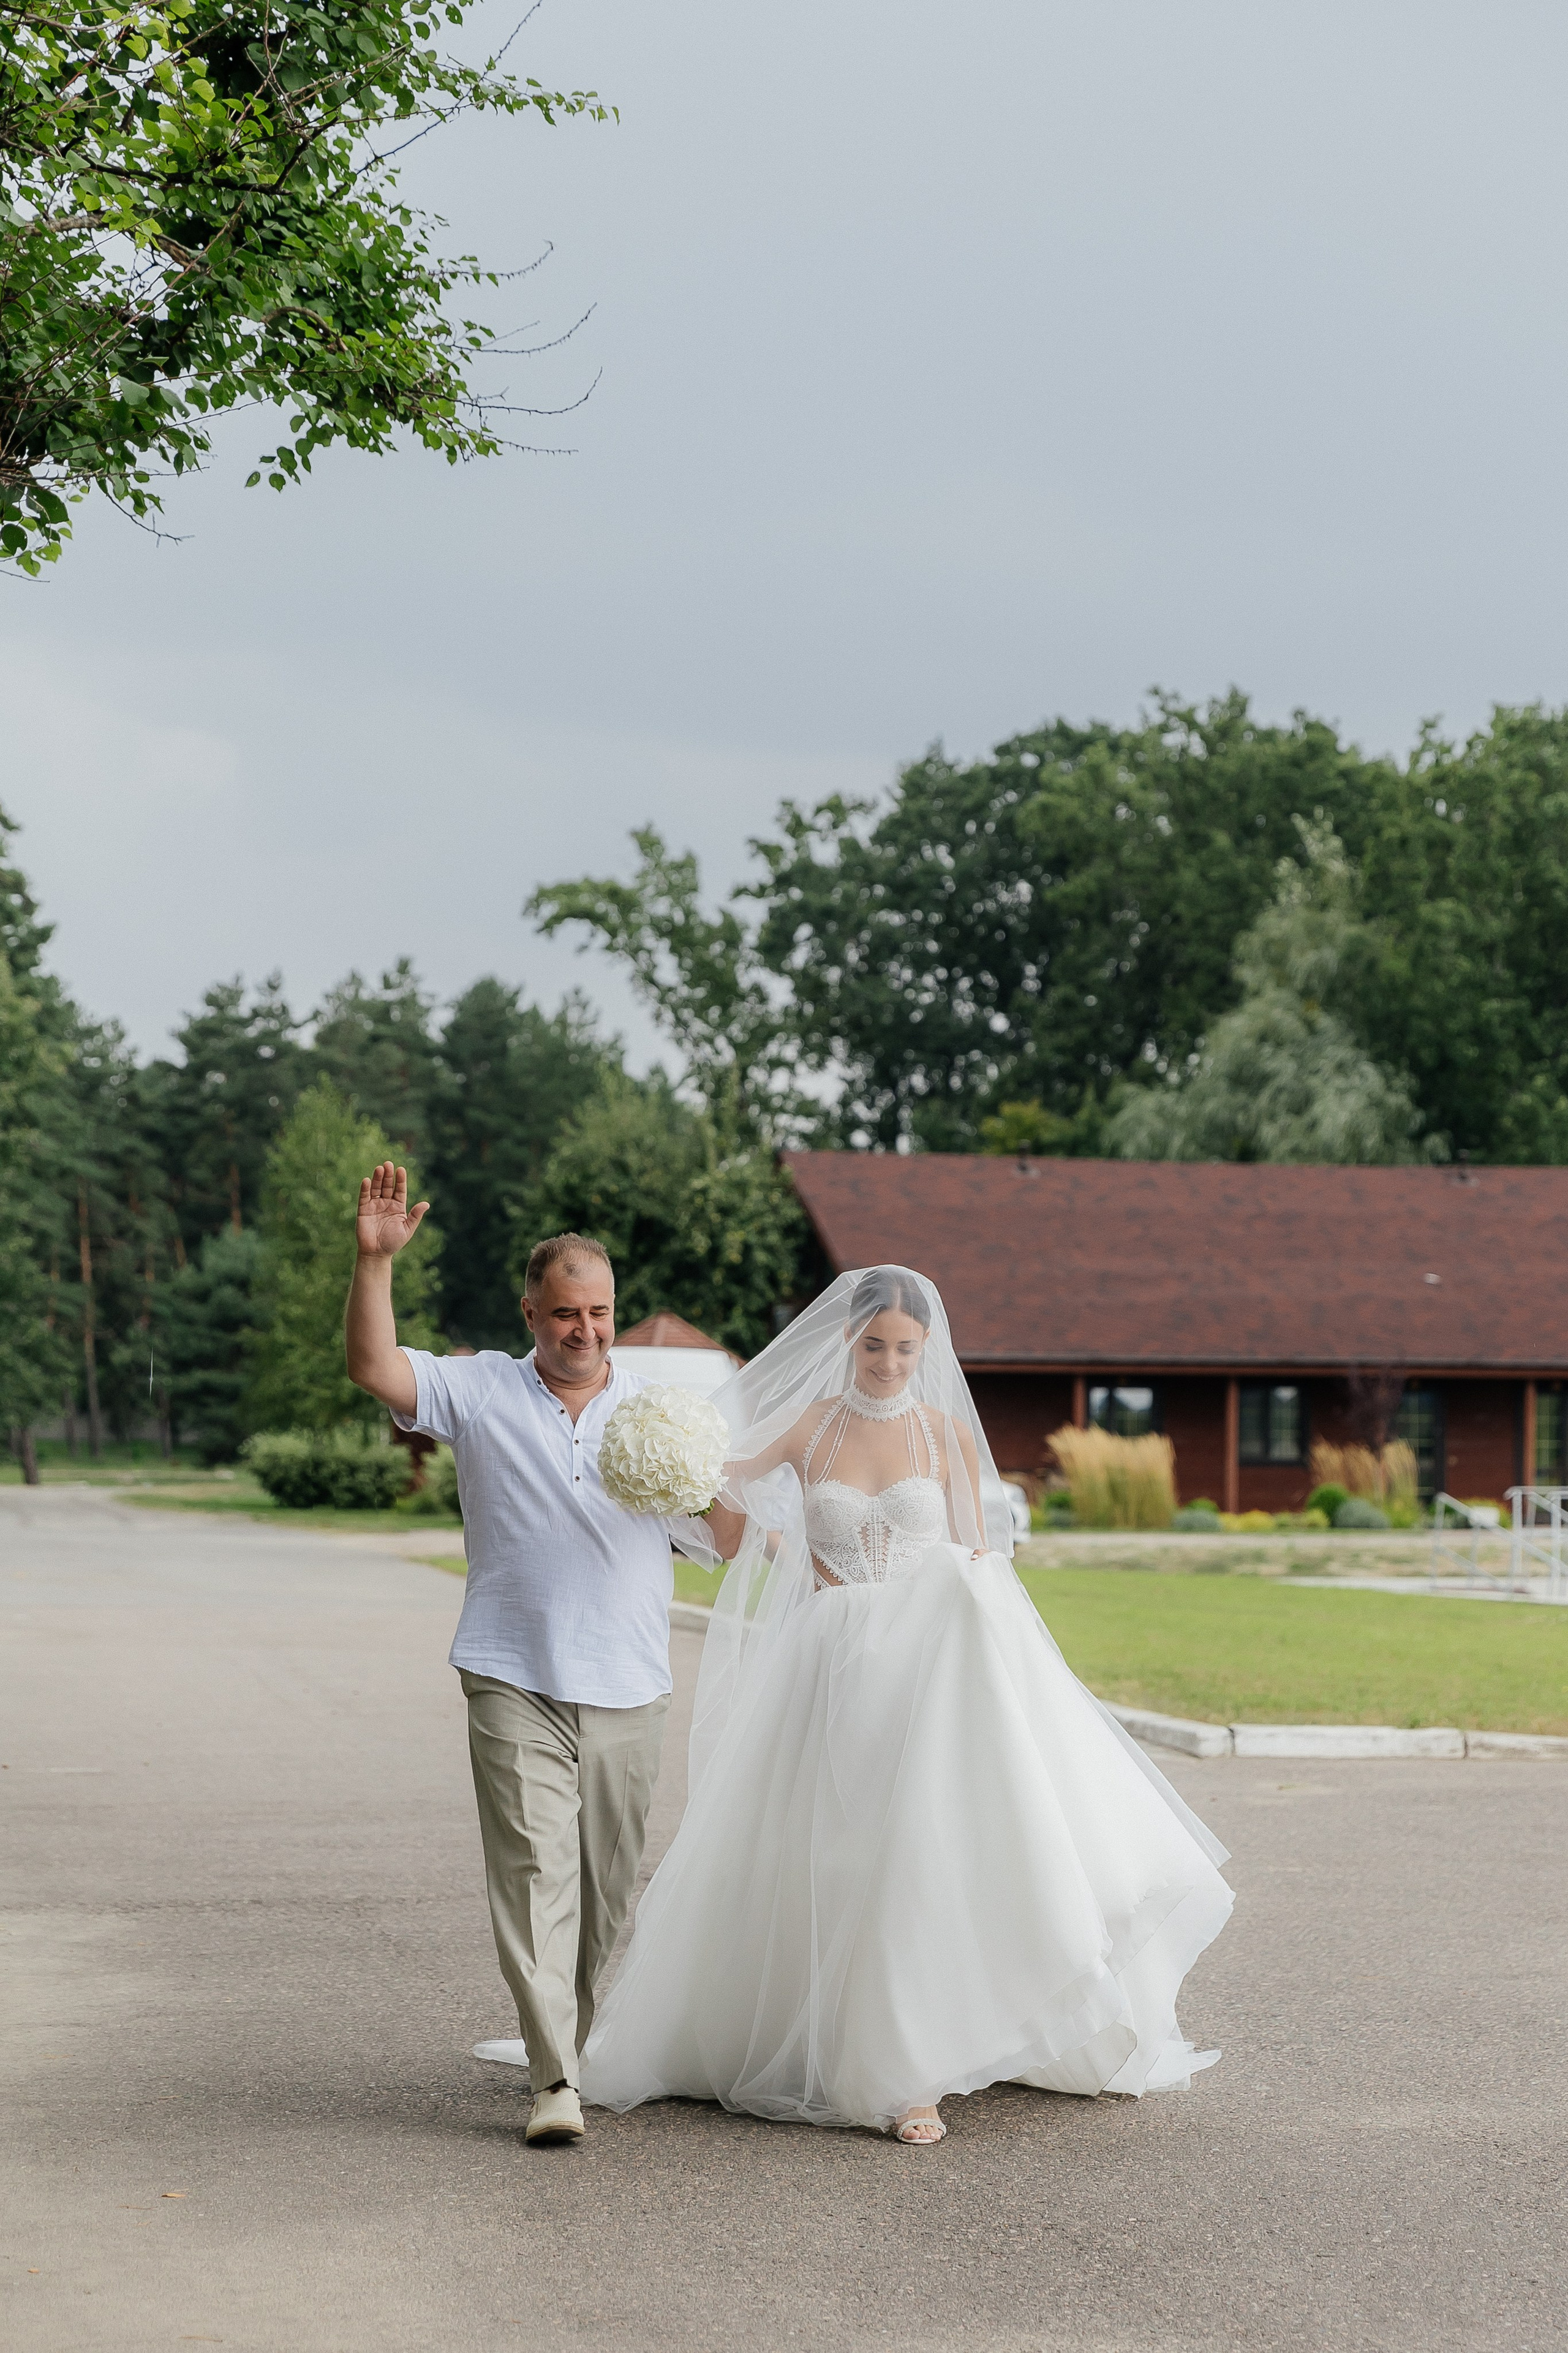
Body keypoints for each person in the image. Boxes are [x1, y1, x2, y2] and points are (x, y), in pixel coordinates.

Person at [579, 1265, 1235, 2145]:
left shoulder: (944, 1434)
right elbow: (719, 1487)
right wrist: (675, 1471)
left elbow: (977, 1552)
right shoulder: (810, 1425)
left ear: (927, 1350)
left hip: (931, 1664)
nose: (887, 1361)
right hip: (834, 1661)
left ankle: (912, 2069)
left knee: (923, 1853)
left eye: (904, 1347)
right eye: (873, 1343)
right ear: (848, 1340)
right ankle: (841, 2041)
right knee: (838, 1854)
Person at [345, 1163, 704, 2147]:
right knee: (533, 1868)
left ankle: (571, 2047)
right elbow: (378, 1369)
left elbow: (726, 1528)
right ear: (529, 1312)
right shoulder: (480, 1390)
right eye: (562, 1314)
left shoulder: (661, 1414)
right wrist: (373, 1264)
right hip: (512, 1671)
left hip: (632, 1682)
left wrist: (722, 1489)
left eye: (598, 1313)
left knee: (606, 1894)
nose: (582, 1330)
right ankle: (554, 2079)